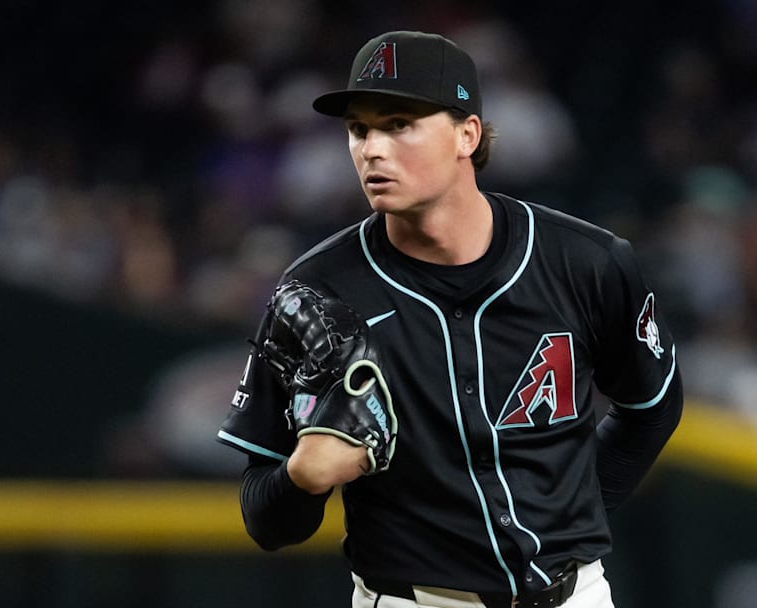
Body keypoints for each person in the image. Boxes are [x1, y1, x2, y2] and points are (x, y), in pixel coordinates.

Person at [216, 30, 683, 608]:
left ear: (468, 134)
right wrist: (303, 479)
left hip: (576, 594)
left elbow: (653, 407)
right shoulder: (317, 292)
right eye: (359, 130)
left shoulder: (585, 262)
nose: (372, 149)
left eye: (398, 123)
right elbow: (264, 519)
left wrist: (574, 510)